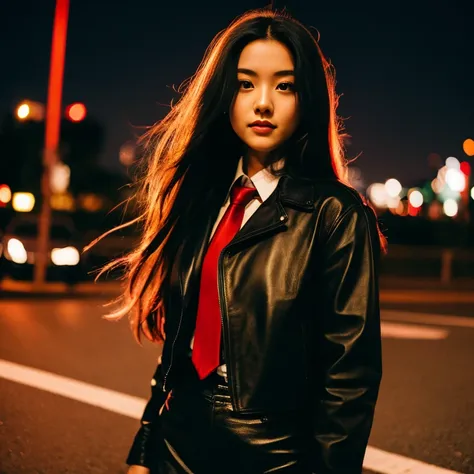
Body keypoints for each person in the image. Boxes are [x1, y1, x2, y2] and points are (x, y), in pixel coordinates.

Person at [93, 7, 385, 474]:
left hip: (274, 453)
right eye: (246, 83)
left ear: (306, 98)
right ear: (225, 94)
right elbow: (177, 347)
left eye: (284, 85)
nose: (263, 102)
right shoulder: (201, 200)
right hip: (177, 441)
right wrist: (145, 448)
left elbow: (349, 378)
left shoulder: (335, 215)